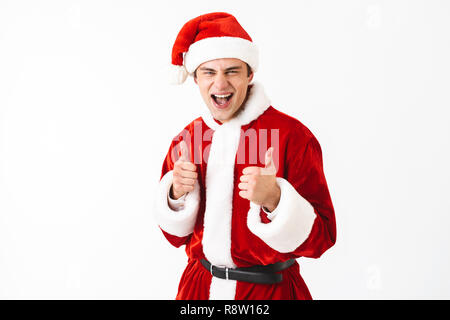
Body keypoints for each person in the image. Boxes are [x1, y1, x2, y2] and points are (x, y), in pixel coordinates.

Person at [154, 12, 336, 300]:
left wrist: (275, 200)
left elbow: (323, 239)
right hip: (199, 291)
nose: (220, 84)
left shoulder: (291, 136)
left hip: (270, 293)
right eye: (209, 72)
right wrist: (176, 194)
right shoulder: (188, 140)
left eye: (232, 71)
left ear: (250, 74)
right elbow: (174, 237)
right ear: (195, 79)